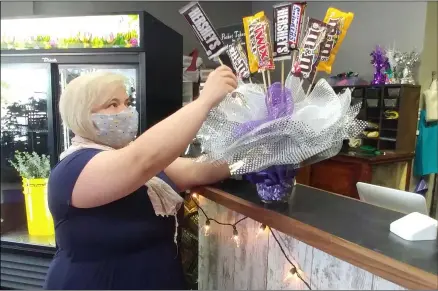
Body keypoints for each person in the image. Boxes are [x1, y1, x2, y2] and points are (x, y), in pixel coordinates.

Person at [44, 66, 237, 290]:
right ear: (82, 114)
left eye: (127, 103)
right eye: (113, 104)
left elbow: (199, 170)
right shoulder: (73, 168)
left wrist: (262, 148)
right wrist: (204, 102)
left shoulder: (141, 167)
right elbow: (142, 159)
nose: (125, 111)